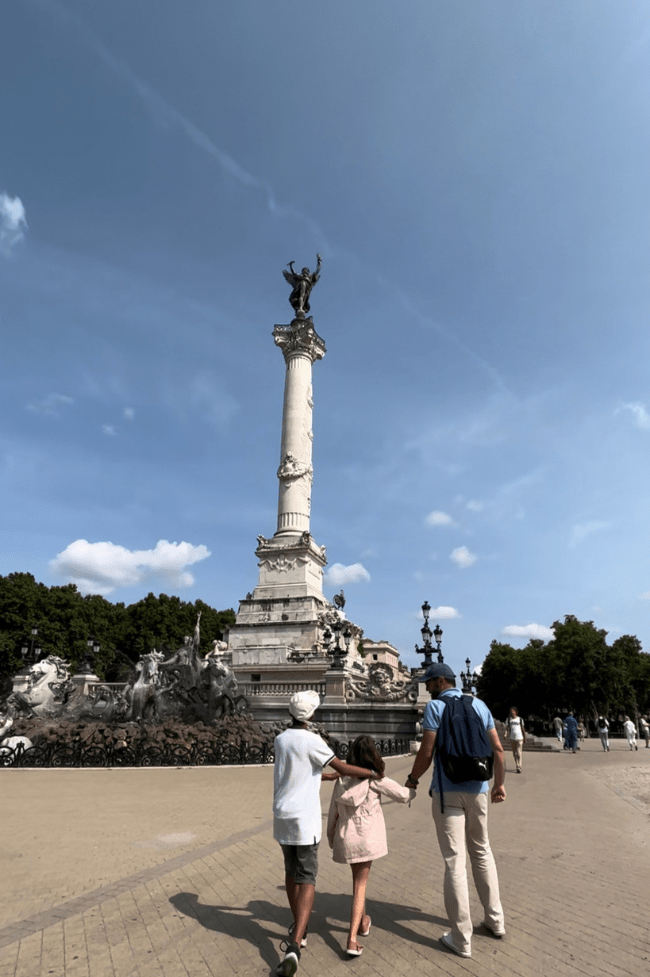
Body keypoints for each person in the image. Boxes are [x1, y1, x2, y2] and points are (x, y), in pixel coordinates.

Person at [272, 690, 378, 977]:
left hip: (281, 816)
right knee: (307, 877)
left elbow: (298, 769)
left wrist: (325, 776)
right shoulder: (313, 741)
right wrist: (370, 773)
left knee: (290, 871)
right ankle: (294, 945)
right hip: (304, 819)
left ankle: (300, 928)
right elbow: (341, 765)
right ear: (312, 715)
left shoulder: (280, 740)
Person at [405, 662, 506, 959]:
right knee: (483, 852)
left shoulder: (435, 709)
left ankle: (461, 938)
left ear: (440, 681)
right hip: (479, 790)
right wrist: (499, 784)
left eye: (429, 683)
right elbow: (498, 749)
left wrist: (412, 779)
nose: (426, 687)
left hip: (447, 792)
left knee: (454, 861)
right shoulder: (479, 705)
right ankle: (495, 920)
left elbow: (426, 751)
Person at [326, 734, 415, 956]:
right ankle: (352, 939)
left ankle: (364, 922)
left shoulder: (341, 781)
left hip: (346, 838)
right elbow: (403, 796)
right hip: (366, 839)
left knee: (357, 881)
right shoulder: (375, 780)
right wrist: (412, 787)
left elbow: (332, 814)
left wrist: (331, 837)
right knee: (360, 887)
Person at [505, 707, 526, 773]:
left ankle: (519, 767)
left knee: (519, 753)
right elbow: (506, 728)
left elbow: (523, 729)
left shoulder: (520, 719)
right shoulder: (508, 720)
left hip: (519, 738)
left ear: (516, 712)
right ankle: (517, 764)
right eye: (511, 711)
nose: (512, 713)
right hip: (512, 738)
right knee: (514, 753)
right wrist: (505, 734)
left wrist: (524, 737)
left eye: (513, 711)